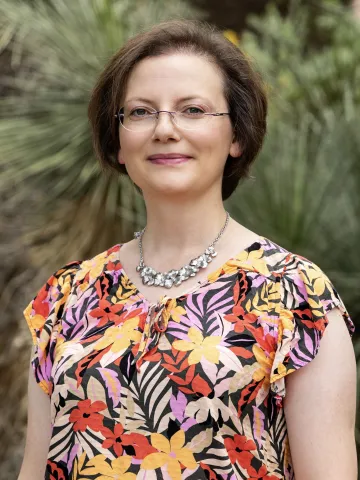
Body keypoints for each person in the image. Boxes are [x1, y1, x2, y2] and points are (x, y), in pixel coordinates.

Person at [19, 19, 357, 480]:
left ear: (236, 135)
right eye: (139, 112)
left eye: (193, 110)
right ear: (118, 141)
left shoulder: (296, 297)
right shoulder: (65, 298)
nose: (164, 129)